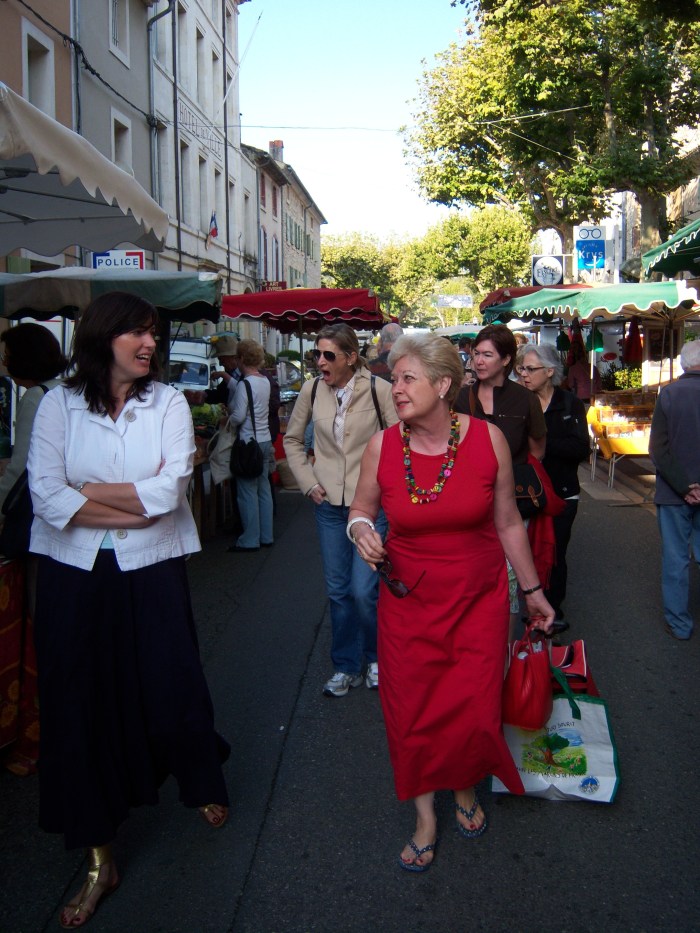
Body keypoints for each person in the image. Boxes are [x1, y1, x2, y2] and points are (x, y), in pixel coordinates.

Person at [27, 293, 230, 929]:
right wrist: (129, 505)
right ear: (103, 336)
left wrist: (88, 492)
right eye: (137, 332)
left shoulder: (166, 401)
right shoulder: (57, 404)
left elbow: (169, 491)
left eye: (153, 333)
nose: (150, 343)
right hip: (74, 575)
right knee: (79, 704)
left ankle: (200, 777)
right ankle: (99, 859)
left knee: (171, 686)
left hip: (151, 568)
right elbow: (44, 493)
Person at [347, 333, 554, 871]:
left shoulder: (488, 441)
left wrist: (532, 593)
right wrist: (362, 532)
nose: (396, 389)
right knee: (411, 707)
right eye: (394, 379)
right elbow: (359, 511)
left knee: (471, 704)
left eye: (407, 378)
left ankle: (464, 786)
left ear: (443, 385)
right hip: (408, 601)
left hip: (479, 598)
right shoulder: (383, 447)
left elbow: (508, 522)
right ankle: (424, 815)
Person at [284, 323, 397, 696]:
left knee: (365, 590)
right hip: (329, 505)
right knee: (338, 591)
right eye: (316, 354)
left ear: (351, 357)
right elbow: (292, 439)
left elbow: (400, 442)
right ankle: (346, 666)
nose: (320, 361)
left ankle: (377, 657)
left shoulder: (380, 391)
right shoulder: (312, 389)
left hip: (371, 506)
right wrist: (307, 482)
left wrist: (389, 490)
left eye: (328, 355)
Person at [0, 323, 67, 778]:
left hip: (38, 524)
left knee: (40, 619)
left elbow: (22, 471)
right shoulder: (64, 390)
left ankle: (44, 723)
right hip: (63, 525)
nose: (4, 362)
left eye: (8, 354)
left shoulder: (35, 399)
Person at [455, 325, 547, 633]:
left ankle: (503, 651)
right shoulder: (459, 398)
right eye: (476, 354)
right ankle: (473, 636)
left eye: (487, 355)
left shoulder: (525, 399)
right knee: (472, 572)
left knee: (508, 576)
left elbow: (537, 449)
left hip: (512, 502)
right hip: (467, 502)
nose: (479, 361)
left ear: (506, 359)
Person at [518, 343, 590, 621]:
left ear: (549, 371)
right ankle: (529, 607)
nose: (524, 374)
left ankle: (553, 610)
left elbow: (580, 448)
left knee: (555, 553)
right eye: (521, 368)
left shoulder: (569, 403)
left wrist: (541, 444)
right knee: (524, 552)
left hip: (561, 493)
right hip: (524, 493)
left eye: (530, 369)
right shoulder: (517, 401)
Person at [649, 339, 700, 641]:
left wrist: (685, 486)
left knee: (676, 559)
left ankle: (679, 624)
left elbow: (658, 450)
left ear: (684, 363)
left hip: (673, 493)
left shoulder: (669, 394)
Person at [227, 339, 274, 552]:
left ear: (242, 359)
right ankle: (267, 535)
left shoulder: (244, 384)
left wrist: (228, 413)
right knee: (263, 489)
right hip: (264, 440)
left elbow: (238, 417)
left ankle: (250, 539)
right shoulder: (264, 381)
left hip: (248, 443)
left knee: (246, 492)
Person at [184, 334, 240, 408]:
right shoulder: (230, 373)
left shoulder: (245, 374)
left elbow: (242, 391)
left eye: (222, 360)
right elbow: (220, 394)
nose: (221, 364)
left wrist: (224, 375)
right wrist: (205, 394)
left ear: (233, 357)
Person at [565, 343, 602, 407]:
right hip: (594, 397)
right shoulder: (593, 367)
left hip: (581, 397)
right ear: (586, 355)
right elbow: (599, 384)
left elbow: (571, 385)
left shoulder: (573, 369)